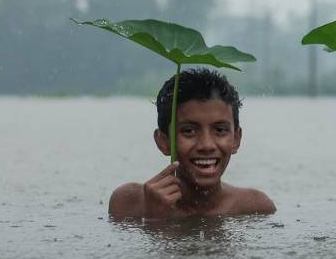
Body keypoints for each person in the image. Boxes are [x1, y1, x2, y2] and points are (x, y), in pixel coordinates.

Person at [109, 67, 276, 218]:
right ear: (163, 141)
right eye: (189, 131)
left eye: (220, 130)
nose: (207, 145)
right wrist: (154, 219)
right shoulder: (128, 203)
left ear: (236, 139)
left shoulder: (255, 209)